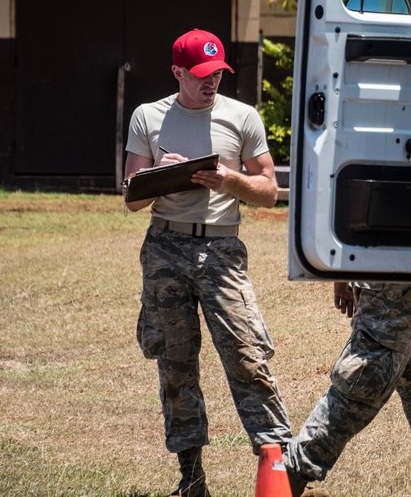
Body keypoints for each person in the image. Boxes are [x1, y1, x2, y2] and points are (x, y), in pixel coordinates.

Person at [124, 29, 291, 497]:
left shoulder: (243, 117)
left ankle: (280, 473)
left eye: (217, 73)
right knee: (176, 366)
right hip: (165, 250)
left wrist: (227, 179)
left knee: (247, 358)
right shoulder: (148, 118)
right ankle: (191, 480)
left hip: (221, 251)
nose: (210, 82)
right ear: (177, 72)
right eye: (200, 74)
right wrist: (165, 176)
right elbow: (132, 195)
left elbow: (269, 192)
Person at [283, 281, 411, 497]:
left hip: (405, 279)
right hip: (400, 278)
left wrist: (341, 278)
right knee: (376, 380)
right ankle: (285, 480)